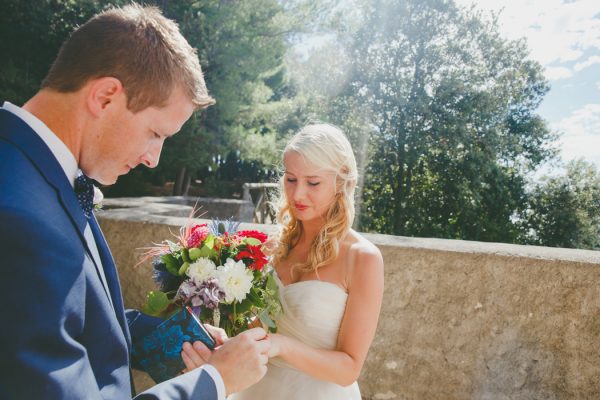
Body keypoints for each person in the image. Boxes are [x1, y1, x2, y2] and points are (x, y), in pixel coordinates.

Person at [0, 4, 270, 400]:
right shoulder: (18, 216)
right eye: (155, 133)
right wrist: (215, 381)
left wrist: (170, 337)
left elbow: (68, 315)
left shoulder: (38, 172)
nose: (152, 158)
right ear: (106, 95)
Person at [230, 123, 384, 399]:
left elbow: (349, 368)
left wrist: (282, 346)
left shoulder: (363, 259)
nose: (298, 194)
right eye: (291, 179)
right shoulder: (272, 246)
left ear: (342, 181)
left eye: (313, 182)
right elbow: (257, 328)